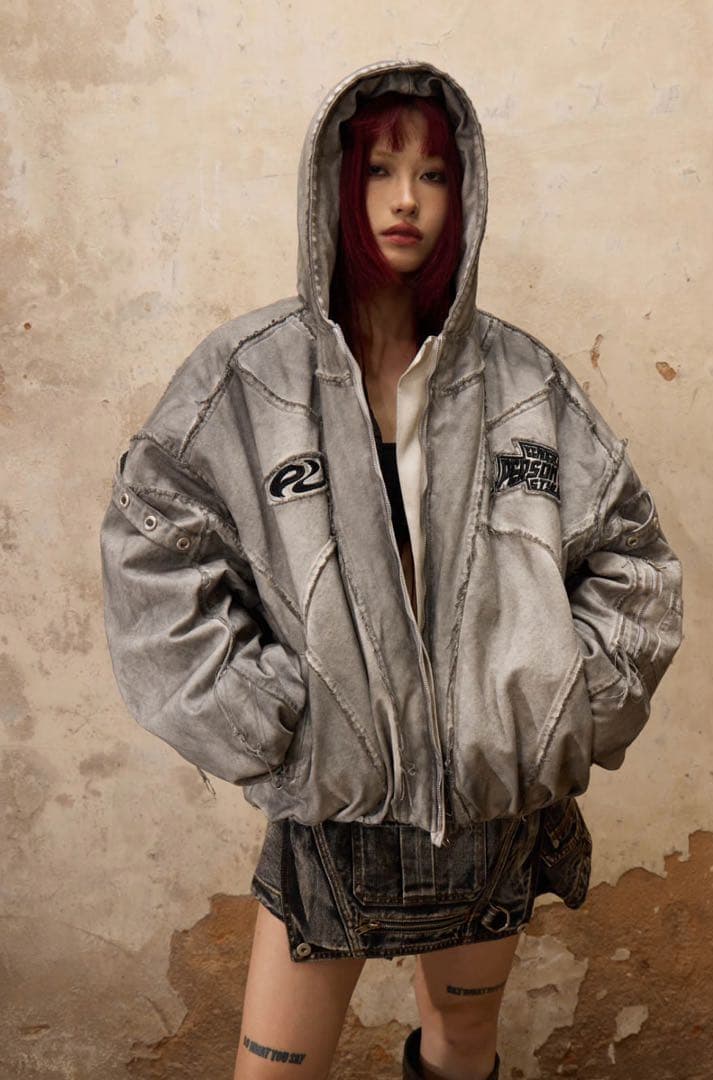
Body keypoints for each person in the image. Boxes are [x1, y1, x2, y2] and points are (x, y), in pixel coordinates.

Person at [99, 60, 683, 1080]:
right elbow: (151, 551)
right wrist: (267, 715)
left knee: (463, 1048)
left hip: (490, 817)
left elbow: (631, 557)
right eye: (379, 169)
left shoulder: (523, 385)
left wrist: (552, 699)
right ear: (337, 183)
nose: (406, 198)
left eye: (433, 174)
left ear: (465, 196)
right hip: (334, 822)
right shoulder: (250, 379)